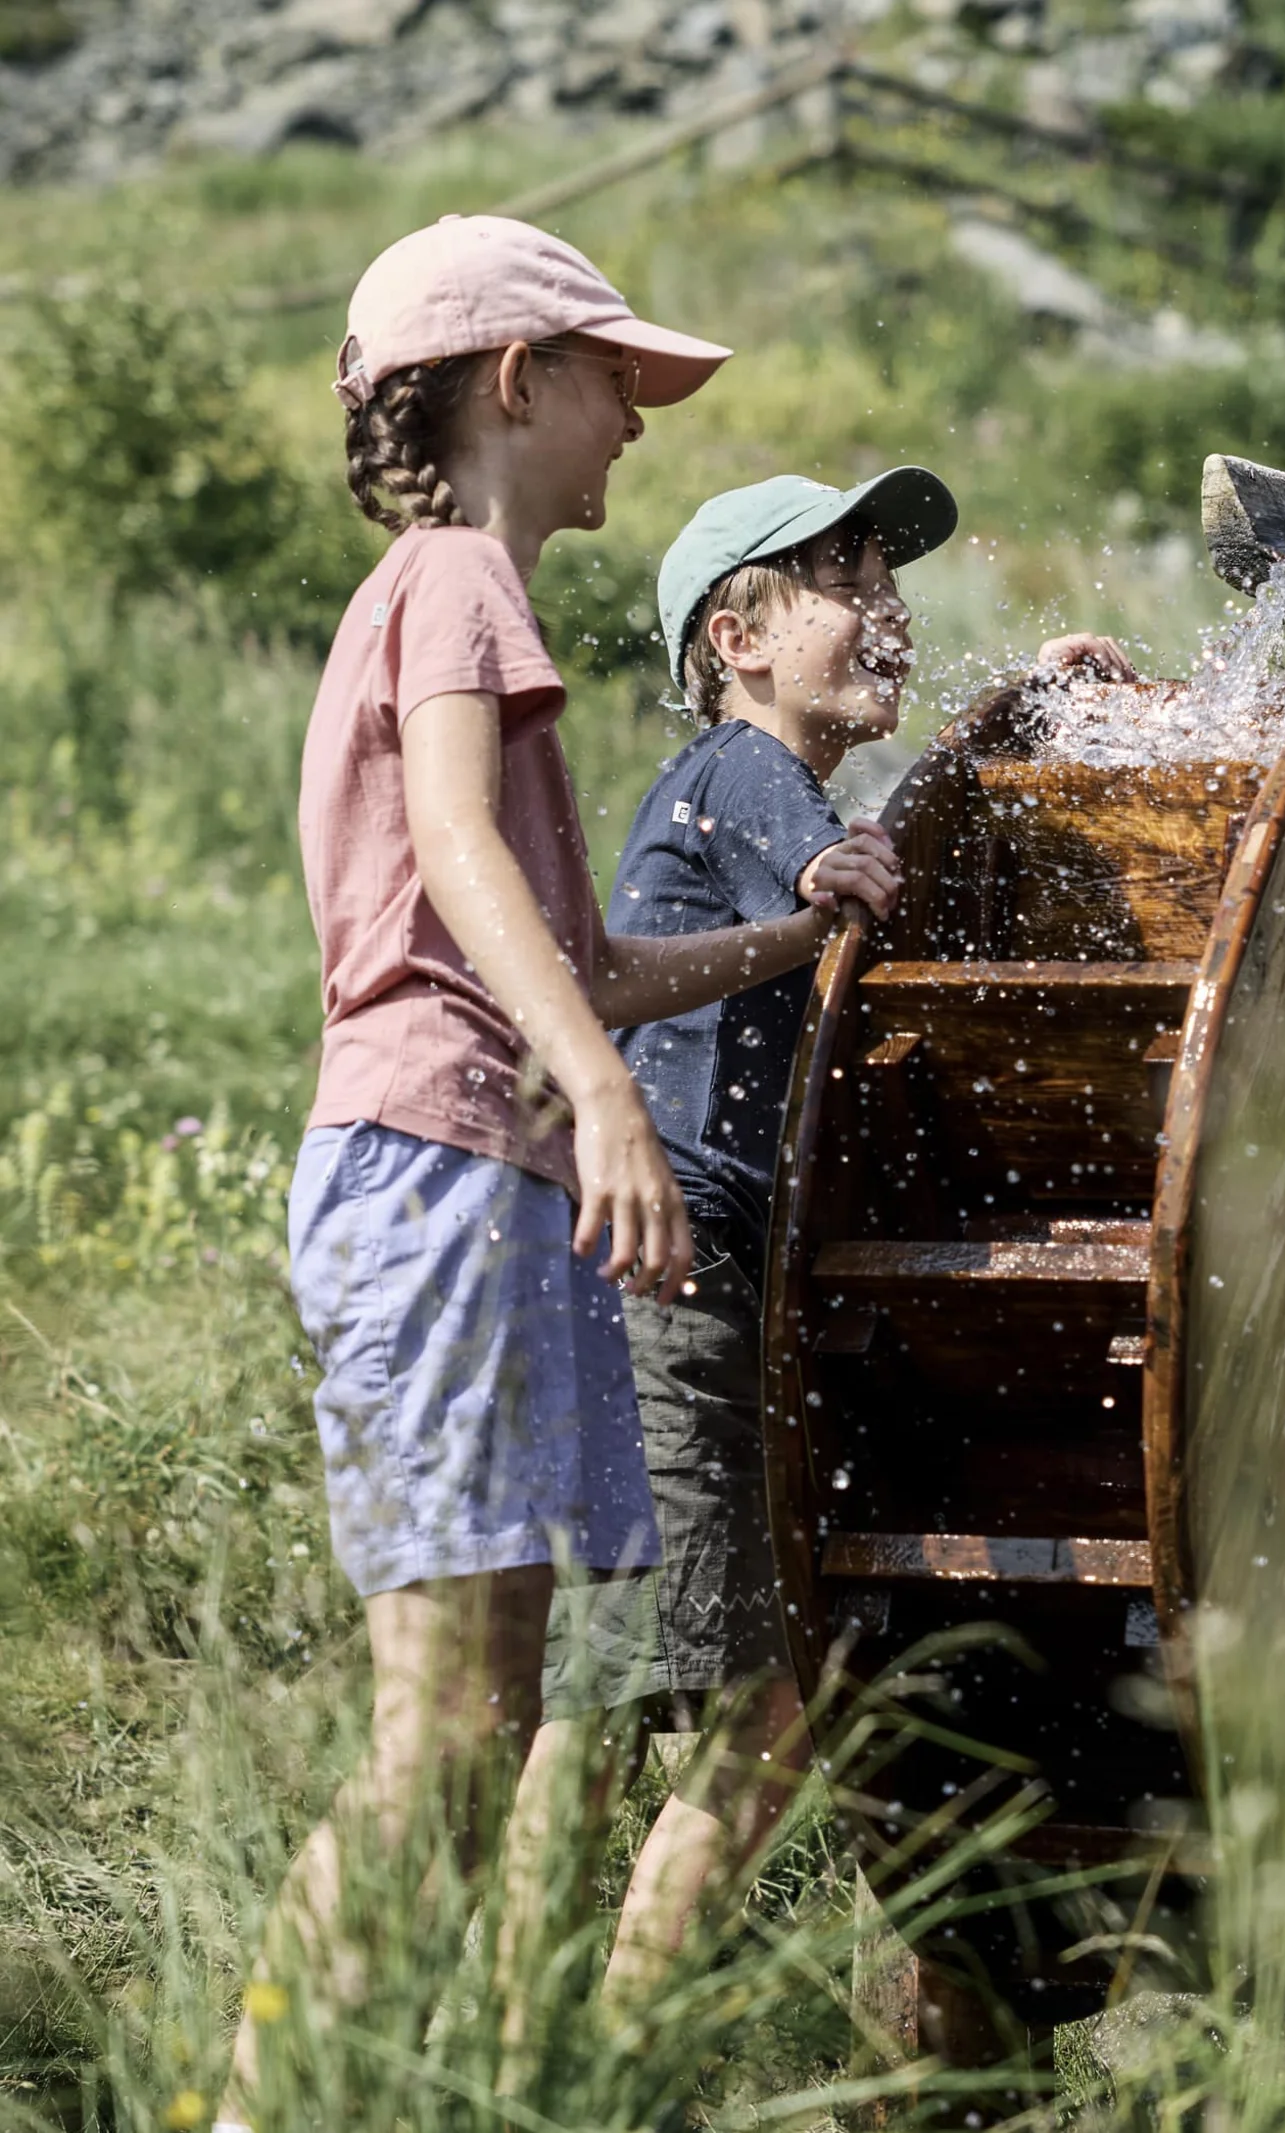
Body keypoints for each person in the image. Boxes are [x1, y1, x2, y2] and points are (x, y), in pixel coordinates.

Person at [216, 220, 901, 2129]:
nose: (636, 424)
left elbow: (585, 961)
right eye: (614, 382)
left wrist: (792, 943)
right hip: (445, 1166)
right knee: (444, 1740)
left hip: (482, 1183)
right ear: (515, 385)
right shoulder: (455, 578)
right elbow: (455, 848)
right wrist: (601, 1096)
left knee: (488, 1728)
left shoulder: (454, 597)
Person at [517, 468, 1136, 2019]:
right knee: (746, 1717)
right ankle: (591, 2063)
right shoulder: (744, 770)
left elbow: (865, 854)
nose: (888, 606)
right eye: (846, 580)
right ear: (736, 639)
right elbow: (845, 870)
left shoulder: (733, 789)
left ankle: (517, 2052)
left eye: (889, 577)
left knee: (608, 1705)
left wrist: (1019, 707)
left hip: (645, 1288)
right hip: (682, 1290)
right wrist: (864, 855)